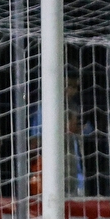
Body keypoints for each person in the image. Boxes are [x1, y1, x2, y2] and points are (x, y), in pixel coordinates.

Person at [29, 65, 90, 197]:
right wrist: (63, 130)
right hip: (51, 172)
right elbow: (33, 143)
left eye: (75, 87)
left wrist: (81, 129)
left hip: (73, 172)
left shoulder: (75, 108)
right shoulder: (44, 109)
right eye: (69, 86)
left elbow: (88, 131)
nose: (72, 91)